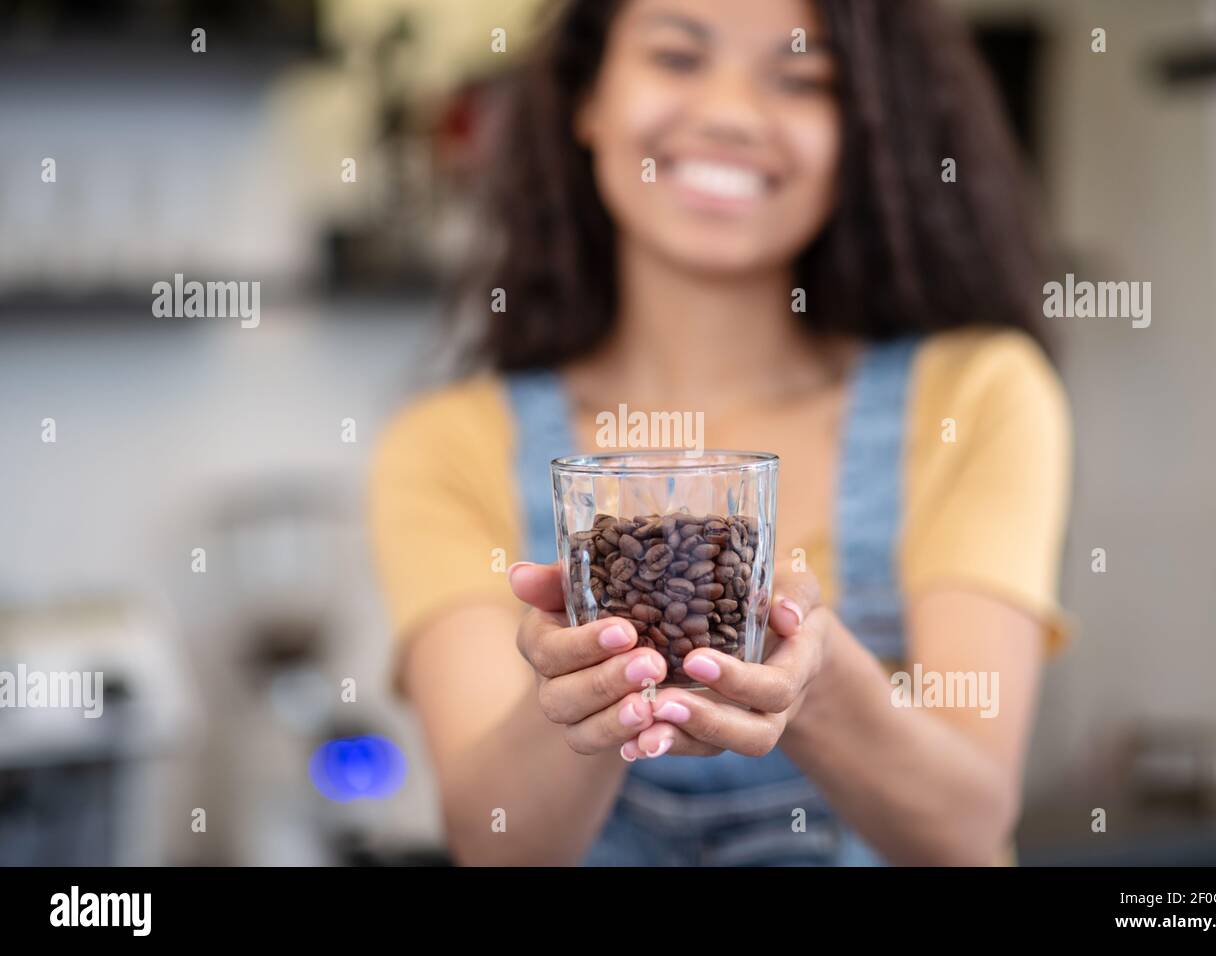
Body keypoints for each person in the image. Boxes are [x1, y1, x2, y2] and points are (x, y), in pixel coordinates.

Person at [369, 0, 1072, 866]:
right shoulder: (448, 441)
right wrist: (600, 687)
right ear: (589, 98)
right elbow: (496, 843)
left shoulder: (976, 392)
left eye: (801, 77)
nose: (733, 113)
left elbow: (967, 828)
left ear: (862, 129)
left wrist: (804, 683)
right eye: (677, 57)